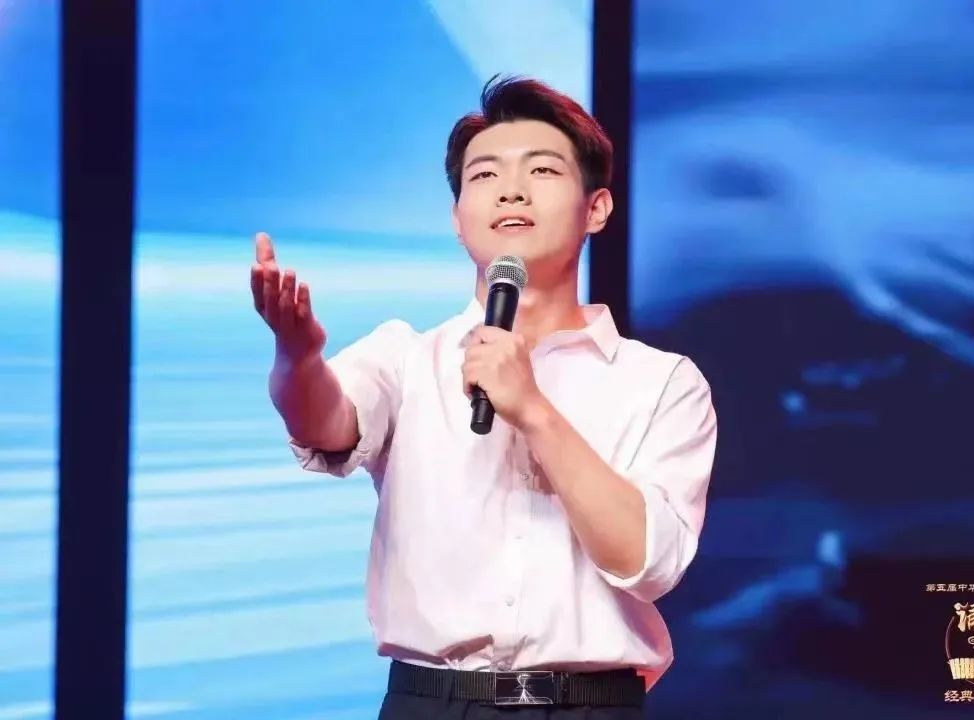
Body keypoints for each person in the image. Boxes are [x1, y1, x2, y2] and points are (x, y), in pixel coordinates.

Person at [249, 76, 717, 719]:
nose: (511, 190)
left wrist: (534, 410)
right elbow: (324, 423)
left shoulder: (661, 382)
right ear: (457, 217)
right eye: (485, 174)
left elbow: (649, 562)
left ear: (597, 209)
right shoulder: (407, 357)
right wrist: (297, 356)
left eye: (542, 170)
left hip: (590, 705)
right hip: (432, 702)